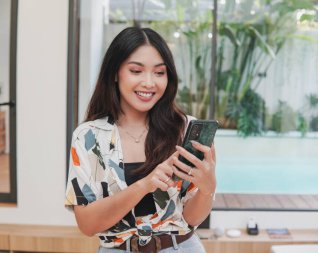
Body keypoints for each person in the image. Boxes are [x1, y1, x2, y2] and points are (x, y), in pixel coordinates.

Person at [65, 26, 216, 253]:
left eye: (159, 72)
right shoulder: (89, 137)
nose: (149, 83)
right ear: (115, 73)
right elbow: (87, 224)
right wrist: (145, 185)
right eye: (136, 71)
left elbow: (191, 218)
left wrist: (207, 188)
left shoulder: (184, 129)